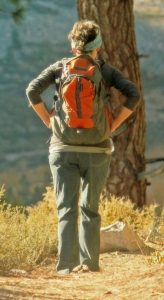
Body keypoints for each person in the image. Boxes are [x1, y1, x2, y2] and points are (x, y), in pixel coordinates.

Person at [26, 20, 140, 275]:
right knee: (90, 207)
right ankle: (89, 264)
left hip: (62, 148)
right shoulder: (105, 71)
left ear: (73, 44)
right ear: (97, 46)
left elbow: (32, 90)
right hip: (98, 149)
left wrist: (49, 122)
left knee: (66, 207)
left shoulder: (60, 68)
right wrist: (111, 126)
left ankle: (65, 267)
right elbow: (134, 94)